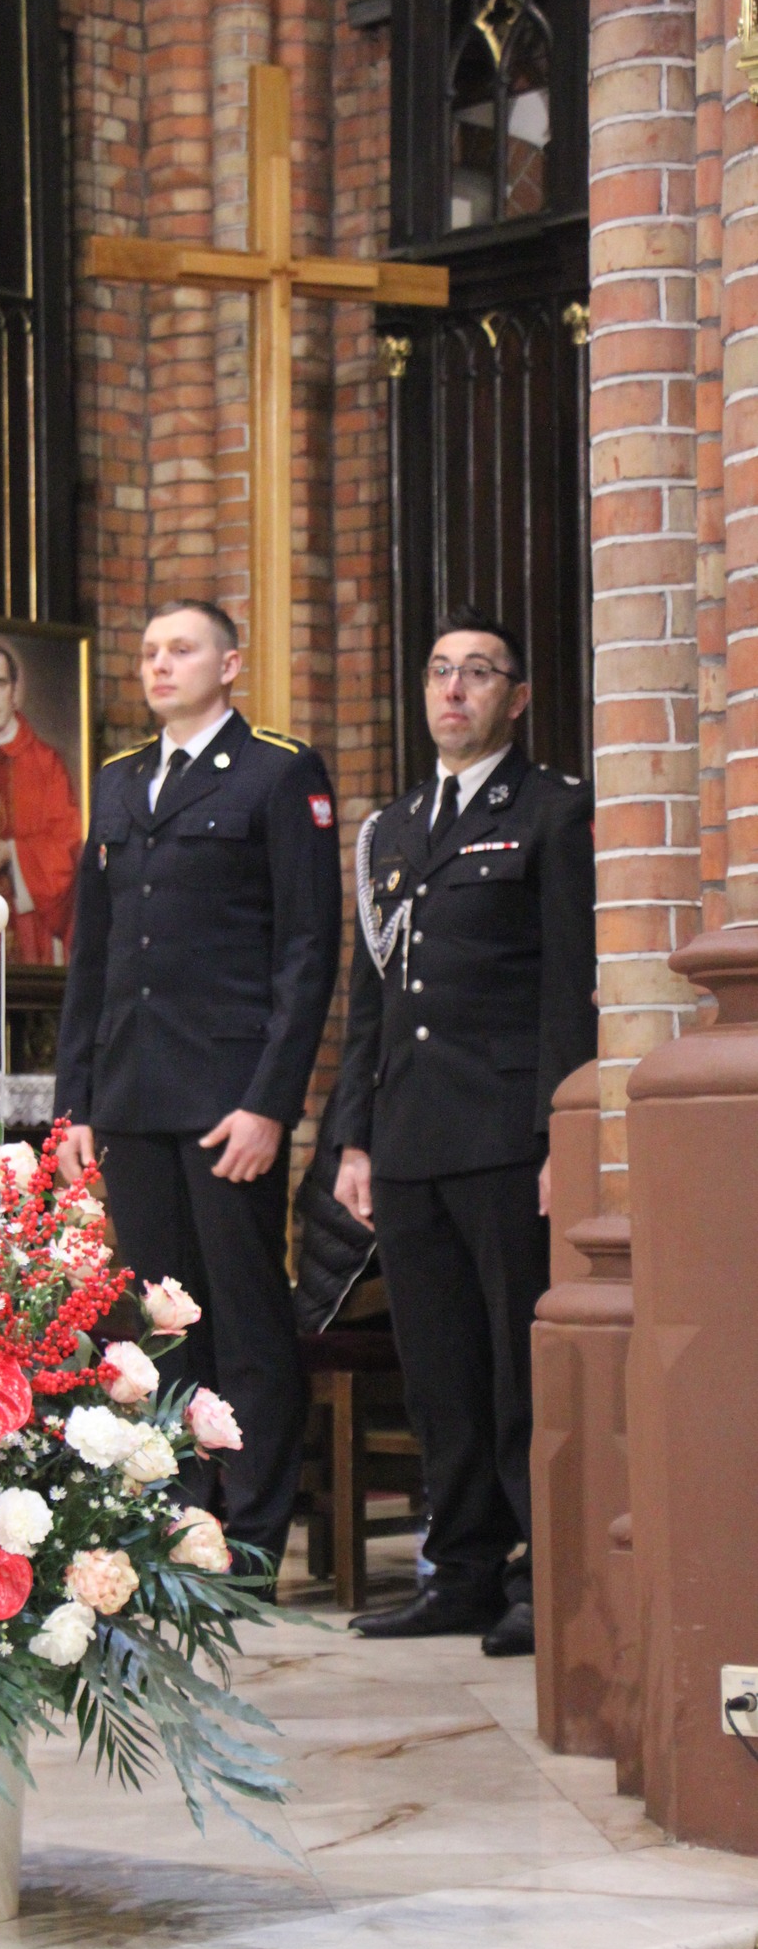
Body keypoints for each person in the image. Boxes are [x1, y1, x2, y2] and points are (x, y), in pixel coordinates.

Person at [54, 599, 342, 1573]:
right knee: (160, 1324)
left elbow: (305, 951)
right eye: (149, 651)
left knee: (245, 1317)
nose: (159, 664)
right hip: (132, 1094)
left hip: (227, 1101)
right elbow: (93, 956)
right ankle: (177, 1519)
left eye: (181, 649)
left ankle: (251, 1539)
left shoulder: (276, 770)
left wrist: (271, 1103)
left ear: (230, 663)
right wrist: (76, 1102)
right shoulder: (119, 779)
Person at [331, 606, 596, 1656]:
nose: (453, 689)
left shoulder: (552, 812)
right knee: (439, 1371)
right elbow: (370, 999)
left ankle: (540, 1572)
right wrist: (353, 1139)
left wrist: (561, 1136)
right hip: (408, 1137)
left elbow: (568, 992)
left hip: (503, 1135)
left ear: (516, 698)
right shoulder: (392, 830)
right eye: (440, 670)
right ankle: (463, 1571)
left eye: (478, 672)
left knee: (516, 1366)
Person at [0, 641, 84, 964]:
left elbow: (67, 845)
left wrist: (12, 853)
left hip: (29, 929)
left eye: (0, 683)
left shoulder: (46, 764)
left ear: (15, 689)